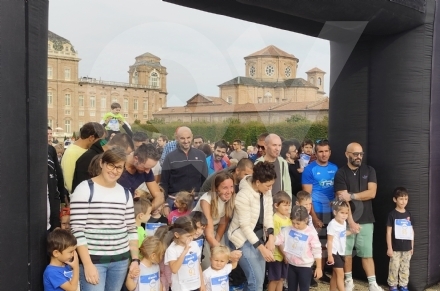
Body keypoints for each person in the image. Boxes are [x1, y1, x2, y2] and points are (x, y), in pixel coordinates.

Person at [70, 148, 140, 291]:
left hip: (120, 260)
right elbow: (77, 230)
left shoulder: (125, 193)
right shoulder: (85, 189)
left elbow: (131, 229)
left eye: (119, 167)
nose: (114, 171)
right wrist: (88, 264)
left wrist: (135, 259)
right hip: (94, 260)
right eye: (111, 165)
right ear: (102, 163)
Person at [334, 142, 381, 291]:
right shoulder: (340, 173)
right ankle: (349, 281)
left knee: (367, 253)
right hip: (346, 221)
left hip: (367, 219)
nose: (358, 157)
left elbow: (372, 193)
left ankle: (372, 284)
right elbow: (342, 200)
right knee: (347, 254)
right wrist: (351, 222)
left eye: (361, 154)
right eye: (355, 154)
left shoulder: (370, 170)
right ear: (347, 154)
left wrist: (352, 195)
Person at [227, 161, 276, 291]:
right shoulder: (243, 195)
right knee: (256, 282)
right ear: (258, 182)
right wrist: (262, 248)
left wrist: (271, 236)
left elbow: (268, 214)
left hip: (259, 237)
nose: (270, 189)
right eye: (268, 185)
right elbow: (245, 226)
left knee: (258, 282)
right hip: (243, 240)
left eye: (272, 185)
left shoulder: (266, 191)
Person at [301, 139, 337, 282]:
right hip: (315, 211)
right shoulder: (309, 169)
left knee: (324, 244)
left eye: (326, 151)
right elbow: (307, 197)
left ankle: (320, 272)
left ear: (330, 152)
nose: (324, 154)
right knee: (312, 243)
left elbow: (337, 191)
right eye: (320, 151)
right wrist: (314, 217)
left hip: (331, 212)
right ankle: (309, 274)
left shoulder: (335, 168)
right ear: (315, 153)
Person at [193, 172, 237, 269]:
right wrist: (216, 248)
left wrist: (217, 242)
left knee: (221, 260)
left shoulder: (230, 199)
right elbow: (208, 230)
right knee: (208, 263)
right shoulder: (206, 200)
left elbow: (223, 222)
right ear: (216, 189)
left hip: (216, 227)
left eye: (231, 187)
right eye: (225, 188)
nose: (229, 191)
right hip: (200, 229)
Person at [161, 127, 208, 216]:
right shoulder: (170, 157)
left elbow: (204, 181)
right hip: (174, 202)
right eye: (182, 138)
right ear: (177, 138)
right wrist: (165, 204)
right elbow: (164, 182)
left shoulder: (201, 155)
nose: (186, 141)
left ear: (192, 137)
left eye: (188, 138)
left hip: (195, 202)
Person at [274, 205, 322, 291]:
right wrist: (271, 238)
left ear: (306, 220)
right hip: (291, 265)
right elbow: (279, 239)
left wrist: (318, 267)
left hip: (305, 266)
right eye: (293, 222)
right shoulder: (288, 229)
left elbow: (317, 250)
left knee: (304, 288)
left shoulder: (311, 233)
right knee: (291, 288)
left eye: (298, 223)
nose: (295, 225)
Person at [61, 122, 105, 194]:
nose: (102, 143)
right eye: (101, 140)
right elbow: (70, 183)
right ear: (91, 138)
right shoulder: (72, 153)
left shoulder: (89, 150)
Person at [118, 143, 164, 210]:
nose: (148, 171)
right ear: (136, 158)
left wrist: (147, 211)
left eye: (150, 168)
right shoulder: (117, 167)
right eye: (145, 167)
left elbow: (159, 197)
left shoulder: (146, 171)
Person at [163, 216, 204, 291]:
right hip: (180, 288)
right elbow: (174, 269)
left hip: (195, 285)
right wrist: (184, 252)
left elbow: (198, 265)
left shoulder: (194, 244)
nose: (191, 238)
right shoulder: (172, 249)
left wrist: (202, 283)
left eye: (193, 235)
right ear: (177, 235)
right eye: (188, 236)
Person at [386, 187, 414, 291]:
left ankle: (403, 285)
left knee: (405, 268)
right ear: (395, 199)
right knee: (394, 267)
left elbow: (411, 231)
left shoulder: (409, 214)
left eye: (406, 199)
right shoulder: (392, 215)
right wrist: (389, 247)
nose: (403, 201)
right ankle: (393, 285)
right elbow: (388, 232)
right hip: (395, 248)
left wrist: (412, 246)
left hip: (407, 248)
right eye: (401, 199)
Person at [268, 191, 292, 291]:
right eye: (284, 205)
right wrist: (285, 254)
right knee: (274, 279)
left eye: (289, 205)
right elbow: (277, 240)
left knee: (282, 279)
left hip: (286, 255)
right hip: (276, 256)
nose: (287, 208)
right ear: (276, 205)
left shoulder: (288, 219)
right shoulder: (275, 219)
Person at [327, 200, 351, 291]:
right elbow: (329, 241)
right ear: (335, 212)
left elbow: (342, 234)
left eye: (346, 213)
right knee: (340, 274)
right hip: (334, 252)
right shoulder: (332, 224)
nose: (344, 215)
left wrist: (352, 231)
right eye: (342, 213)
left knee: (335, 274)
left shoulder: (344, 223)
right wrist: (330, 255)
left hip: (341, 252)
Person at [48, 127, 68, 229]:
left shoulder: (51, 150)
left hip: (53, 198)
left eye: (50, 133)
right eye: (47, 134)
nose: (49, 136)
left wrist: (62, 199)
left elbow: (59, 175)